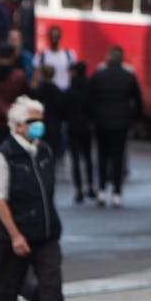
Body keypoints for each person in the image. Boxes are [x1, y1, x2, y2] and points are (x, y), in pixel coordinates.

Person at [0, 96, 80, 301]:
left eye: (41, 120)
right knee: (7, 289)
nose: (39, 125)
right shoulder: (5, 155)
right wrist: (15, 235)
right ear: (18, 126)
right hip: (15, 235)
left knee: (52, 288)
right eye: (33, 121)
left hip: (46, 232)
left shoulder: (44, 151)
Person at [87, 46, 143, 208]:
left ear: (108, 57)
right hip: (121, 123)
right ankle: (117, 192)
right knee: (118, 158)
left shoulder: (98, 76)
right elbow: (138, 102)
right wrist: (133, 119)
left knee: (102, 157)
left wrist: (92, 119)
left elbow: (89, 100)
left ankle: (102, 190)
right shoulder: (128, 77)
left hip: (101, 122)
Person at [62, 60, 95, 204]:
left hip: (73, 126)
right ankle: (90, 185)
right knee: (87, 157)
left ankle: (79, 189)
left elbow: (62, 110)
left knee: (75, 159)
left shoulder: (69, 91)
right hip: (86, 126)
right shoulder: (90, 89)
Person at [36, 25, 77, 92]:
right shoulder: (41, 56)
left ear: (60, 37)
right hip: (47, 93)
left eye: (56, 36)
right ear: (49, 37)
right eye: (52, 36)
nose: (54, 38)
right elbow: (36, 78)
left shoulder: (69, 55)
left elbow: (74, 75)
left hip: (64, 92)